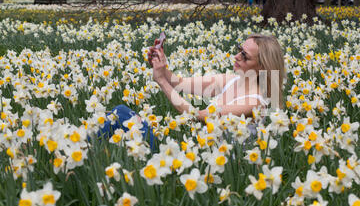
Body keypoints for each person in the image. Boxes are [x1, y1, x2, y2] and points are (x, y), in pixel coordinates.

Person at [99, 34, 286, 144]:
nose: (236, 56)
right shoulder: (230, 81)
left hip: (211, 167)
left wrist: (161, 82)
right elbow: (180, 83)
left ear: (261, 67)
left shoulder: (253, 103)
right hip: (196, 150)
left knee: (122, 115)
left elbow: (198, 116)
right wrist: (161, 67)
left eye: (245, 56)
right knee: (121, 113)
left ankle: (80, 150)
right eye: (239, 50)